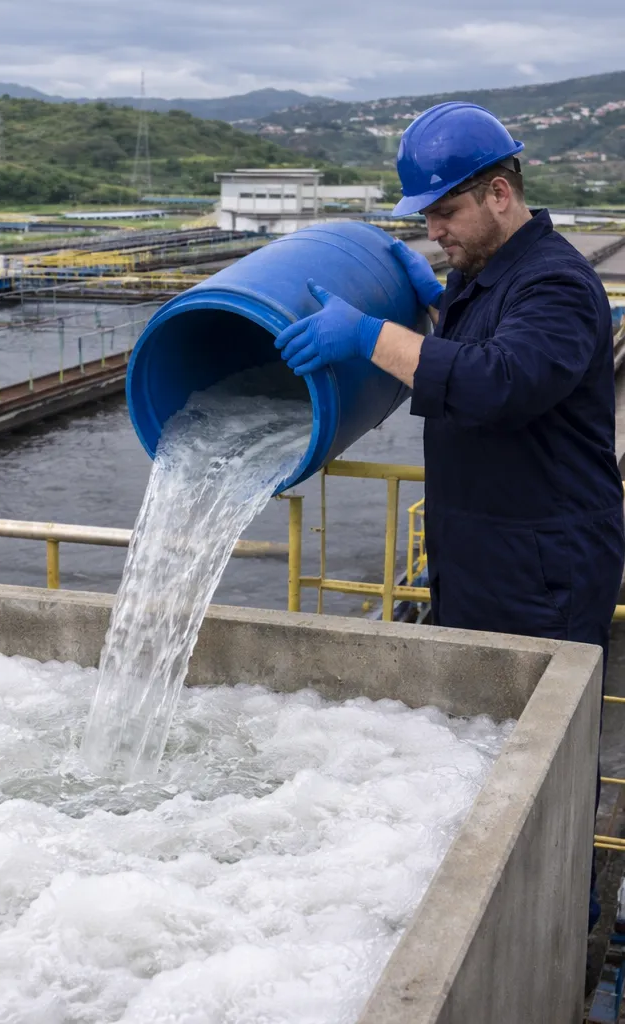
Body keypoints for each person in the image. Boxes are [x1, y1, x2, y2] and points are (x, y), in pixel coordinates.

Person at [275, 101, 625, 933]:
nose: (437, 231)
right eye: (427, 217)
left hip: (542, 563)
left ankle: (554, 917)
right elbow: (467, 345)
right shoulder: (489, 274)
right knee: (486, 741)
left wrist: (366, 333)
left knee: (537, 757)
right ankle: (498, 892)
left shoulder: (557, 283)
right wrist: (430, 302)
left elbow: (502, 382)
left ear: (500, 192)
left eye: (446, 211)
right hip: (485, 551)